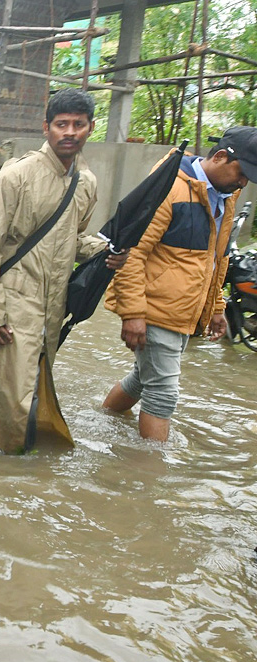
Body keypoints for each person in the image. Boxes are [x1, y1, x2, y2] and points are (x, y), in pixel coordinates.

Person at [0, 88, 123, 454]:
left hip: (52, 302)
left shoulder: (86, 183)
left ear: (91, 128)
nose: (69, 132)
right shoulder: (15, 177)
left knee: (36, 384)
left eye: (78, 124)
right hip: (11, 297)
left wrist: (105, 251)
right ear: (46, 128)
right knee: (7, 391)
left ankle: (19, 465)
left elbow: (76, 237)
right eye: (61, 124)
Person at [101, 127, 253, 441]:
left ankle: (104, 419)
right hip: (154, 309)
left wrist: (216, 307)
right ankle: (151, 474)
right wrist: (132, 313)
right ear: (221, 157)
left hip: (182, 310)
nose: (244, 182)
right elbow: (132, 252)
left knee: (142, 380)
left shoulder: (226, 197)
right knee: (163, 392)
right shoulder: (170, 188)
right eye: (243, 173)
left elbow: (217, 258)